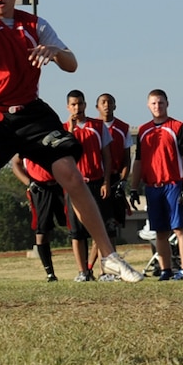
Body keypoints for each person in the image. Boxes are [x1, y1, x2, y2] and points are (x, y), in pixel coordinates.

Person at [0, 0, 143, 294]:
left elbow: (72, 64)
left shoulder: (35, 26)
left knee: (70, 173)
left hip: (31, 112)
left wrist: (54, 53)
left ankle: (109, 257)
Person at [131, 89, 183, 280]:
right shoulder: (143, 130)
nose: (157, 106)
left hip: (174, 184)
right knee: (159, 231)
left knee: (180, 228)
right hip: (152, 187)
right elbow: (139, 161)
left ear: (167, 103)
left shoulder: (178, 127)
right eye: (153, 103)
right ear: (148, 105)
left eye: (160, 103)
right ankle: (165, 270)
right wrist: (133, 188)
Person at [63, 90, 108, 280]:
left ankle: (103, 270)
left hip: (96, 183)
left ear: (85, 104)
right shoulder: (62, 128)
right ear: (68, 107)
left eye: (80, 104)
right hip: (73, 185)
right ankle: (82, 271)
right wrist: (71, 130)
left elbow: (107, 155)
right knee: (77, 232)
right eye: (73, 104)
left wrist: (106, 181)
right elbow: (64, 154)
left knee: (99, 229)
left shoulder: (98, 126)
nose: (77, 108)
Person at [94, 92, 132, 247]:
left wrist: (123, 180)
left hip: (115, 179)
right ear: (97, 107)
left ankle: (111, 260)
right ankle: (89, 267)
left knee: (112, 225)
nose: (107, 105)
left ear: (115, 105)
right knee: (97, 224)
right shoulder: (93, 127)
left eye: (110, 102)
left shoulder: (123, 128)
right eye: (103, 102)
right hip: (97, 179)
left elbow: (126, 158)